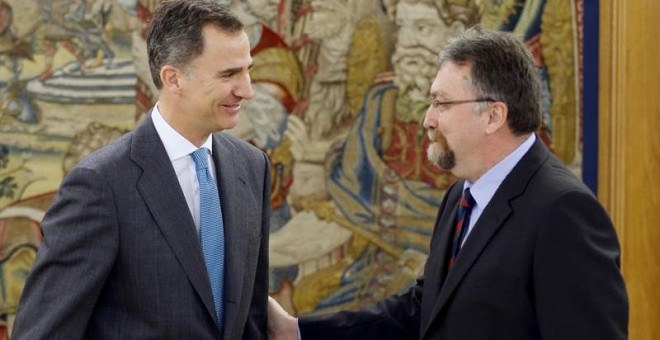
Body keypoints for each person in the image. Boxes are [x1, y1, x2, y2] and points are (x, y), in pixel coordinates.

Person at [267, 25, 628, 340]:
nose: (427, 120)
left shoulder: (563, 212)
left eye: (441, 104)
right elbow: (421, 312)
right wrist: (297, 332)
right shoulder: (461, 195)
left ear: (493, 115)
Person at [12, 0, 270, 338]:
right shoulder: (100, 184)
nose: (247, 90)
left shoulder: (252, 166)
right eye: (229, 74)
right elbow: (43, 332)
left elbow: (250, 320)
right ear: (173, 78)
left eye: (247, 69)